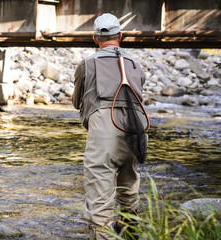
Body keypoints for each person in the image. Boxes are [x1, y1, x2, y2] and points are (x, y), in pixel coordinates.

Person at [72, 13, 148, 239]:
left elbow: (77, 102)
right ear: (121, 36)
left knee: (100, 200)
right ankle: (131, 234)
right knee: (128, 189)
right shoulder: (136, 65)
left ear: (95, 39)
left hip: (105, 132)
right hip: (137, 131)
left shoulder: (87, 64)